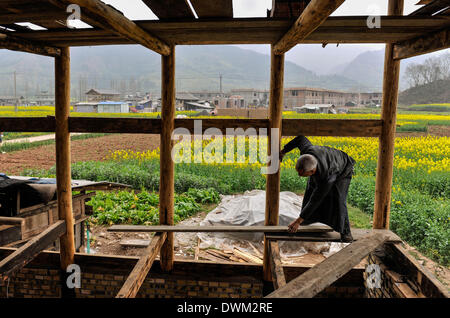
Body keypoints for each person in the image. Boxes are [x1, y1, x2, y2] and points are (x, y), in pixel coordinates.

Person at [279, 135, 355, 242]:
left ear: (312, 171)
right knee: (310, 188)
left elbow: (316, 199)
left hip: (343, 169)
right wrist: (283, 151)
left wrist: (298, 221)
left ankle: (346, 233)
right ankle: (308, 219)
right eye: (298, 172)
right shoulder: (307, 151)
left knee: (338, 198)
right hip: (327, 162)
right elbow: (300, 138)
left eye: (302, 174)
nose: (299, 176)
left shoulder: (327, 178)